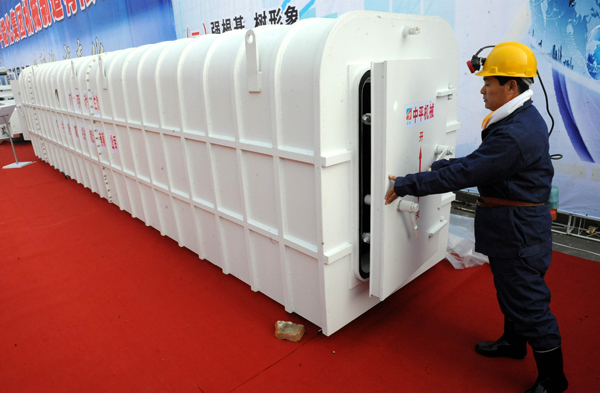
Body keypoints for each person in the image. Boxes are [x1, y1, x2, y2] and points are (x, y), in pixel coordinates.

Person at [384, 42, 568, 393]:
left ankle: (553, 380)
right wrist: (440, 167)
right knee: (511, 291)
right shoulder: (517, 119)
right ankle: (514, 345)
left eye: (488, 83)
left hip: (518, 232)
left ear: (511, 86)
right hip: (512, 227)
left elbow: (471, 171)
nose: (482, 90)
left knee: (528, 302)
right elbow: (479, 164)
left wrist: (411, 183)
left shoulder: (515, 134)